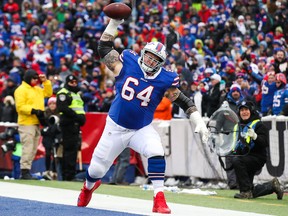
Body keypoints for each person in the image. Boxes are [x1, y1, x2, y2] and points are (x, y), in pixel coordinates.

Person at [77, 19, 209, 214]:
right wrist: (114, 22)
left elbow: (184, 101)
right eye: (149, 57)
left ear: (161, 63)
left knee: (156, 151)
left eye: (155, 60)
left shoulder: (166, 79)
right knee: (97, 170)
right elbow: (104, 46)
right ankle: (87, 188)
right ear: (143, 54)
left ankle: (159, 199)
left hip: (141, 128)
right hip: (115, 126)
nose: (150, 61)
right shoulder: (127, 62)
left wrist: (198, 120)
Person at [232, 100, 283, 199]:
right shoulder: (238, 126)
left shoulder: (259, 124)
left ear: (251, 110)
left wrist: (255, 137)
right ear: (239, 113)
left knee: (237, 161)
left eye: (246, 109)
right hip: (245, 157)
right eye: (242, 110)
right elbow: (235, 145)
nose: (244, 112)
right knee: (249, 189)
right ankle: (272, 186)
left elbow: (265, 143)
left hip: (257, 157)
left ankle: (246, 192)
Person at [14, 69, 53, 179]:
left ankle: (27, 169)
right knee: (28, 146)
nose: (36, 80)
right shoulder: (20, 90)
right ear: (28, 78)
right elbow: (20, 107)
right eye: (34, 78)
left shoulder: (37, 89)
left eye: (37, 79)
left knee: (33, 148)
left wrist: (46, 82)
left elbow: (48, 93)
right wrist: (33, 110)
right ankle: (24, 170)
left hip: (36, 122)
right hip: (26, 123)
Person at [56, 75, 86, 181]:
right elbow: (63, 108)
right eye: (71, 82)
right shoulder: (63, 93)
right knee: (69, 150)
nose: (73, 84)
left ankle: (70, 174)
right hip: (68, 124)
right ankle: (68, 175)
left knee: (73, 150)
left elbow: (79, 108)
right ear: (67, 82)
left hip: (75, 125)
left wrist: (81, 119)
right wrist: (77, 117)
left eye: (75, 82)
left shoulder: (76, 93)